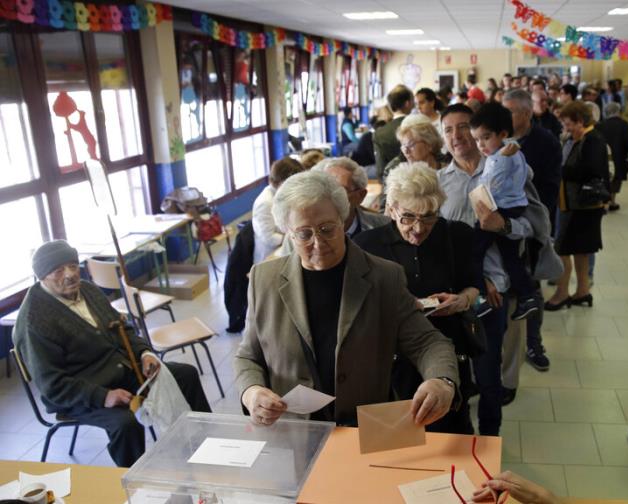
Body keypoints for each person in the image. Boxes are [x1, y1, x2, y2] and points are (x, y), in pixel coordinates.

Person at [234, 171, 459, 427]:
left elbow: (428, 342)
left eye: (327, 229)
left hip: (369, 427)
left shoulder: (384, 277)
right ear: (288, 232)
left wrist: (442, 381)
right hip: (294, 428)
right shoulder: (264, 280)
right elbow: (248, 356)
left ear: (342, 220)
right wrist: (251, 392)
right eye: (304, 234)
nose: (318, 243)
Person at [14, 240, 211, 467]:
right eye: (58, 271)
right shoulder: (34, 321)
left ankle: (207, 443)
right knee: (126, 423)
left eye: (73, 266)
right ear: (42, 277)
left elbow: (122, 328)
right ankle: (131, 477)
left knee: (185, 374)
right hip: (81, 394)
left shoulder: (87, 290)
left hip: (120, 369)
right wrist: (103, 396)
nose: (70, 275)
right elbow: (53, 385)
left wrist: (144, 353)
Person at [438, 104, 554, 436]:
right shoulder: (438, 182)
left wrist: (503, 226)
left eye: (463, 127)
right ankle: (458, 439)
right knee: (455, 374)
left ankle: (490, 438)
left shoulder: (508, 169)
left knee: (490, 374)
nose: (457, 136)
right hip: (455, 293)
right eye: (448, 130)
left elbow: (535, 226)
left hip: (496, 294)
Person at [355, 162, 479, 434]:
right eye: (408, 217)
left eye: (429, 217)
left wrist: (461, 301)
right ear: (391, 209)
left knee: (449, 433)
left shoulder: (457, 235)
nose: (419, 228)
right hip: (390, 359)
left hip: (447, 349)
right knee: (392, 438)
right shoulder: (366, 246)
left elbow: (474, 284)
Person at [502, 88, 561, 371]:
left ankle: (534, 343)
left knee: (531, 286)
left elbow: (549, 189)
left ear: (526, 113)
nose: (504, 117)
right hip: (503, 226)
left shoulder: (545, 142)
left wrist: (536, 224)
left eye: (510, 111)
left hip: (531, 225)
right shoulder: (498, 139)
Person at [469, 102, 539, 321]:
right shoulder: (511, 149)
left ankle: (480, 298)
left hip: (499, 209)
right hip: (513, 207)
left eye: (486, 137)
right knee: (511, 258)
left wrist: (495, 160)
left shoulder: (501, 157)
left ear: (503, 134)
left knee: (474, 252)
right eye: (477, 139)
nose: (481, 145)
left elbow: (489, 183)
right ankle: (528, 296)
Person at [546, 101, 609, 310]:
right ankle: (583, 291)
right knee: (581, 250)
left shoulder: (593, 140)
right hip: (577, 204)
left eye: (568, 124)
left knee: (563, 249)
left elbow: (590, 170)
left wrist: (559, 170)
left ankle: (562, 293)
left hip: (582, 206)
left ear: (580, 121)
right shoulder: (579, 138)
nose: (566, 128)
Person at [312, 157, 390, 240]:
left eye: (340, 192)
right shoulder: (307, 230)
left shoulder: (385, 227)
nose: (329, 198)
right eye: (324, 190)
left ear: (360, 195)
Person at [253, 156, 303, 264]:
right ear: (282, 181)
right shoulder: (265, 203)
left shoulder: (282, 194)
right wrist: (293, 238)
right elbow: (268, 237)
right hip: (270, 256)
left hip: (285, 249)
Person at [598, 102, 628, 212]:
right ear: (618, 112)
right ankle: (612, 201)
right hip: (619, 157)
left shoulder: (600, 125)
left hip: (603, 157)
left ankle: (602, 201)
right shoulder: (624, 125)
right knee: (616, 179)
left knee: (603, 178)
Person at [374, 85, 414, 178]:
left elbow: (380, 170)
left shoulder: (379, 134)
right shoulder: (420, 126)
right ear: (408, 103)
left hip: (393, 180)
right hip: (420, 179)